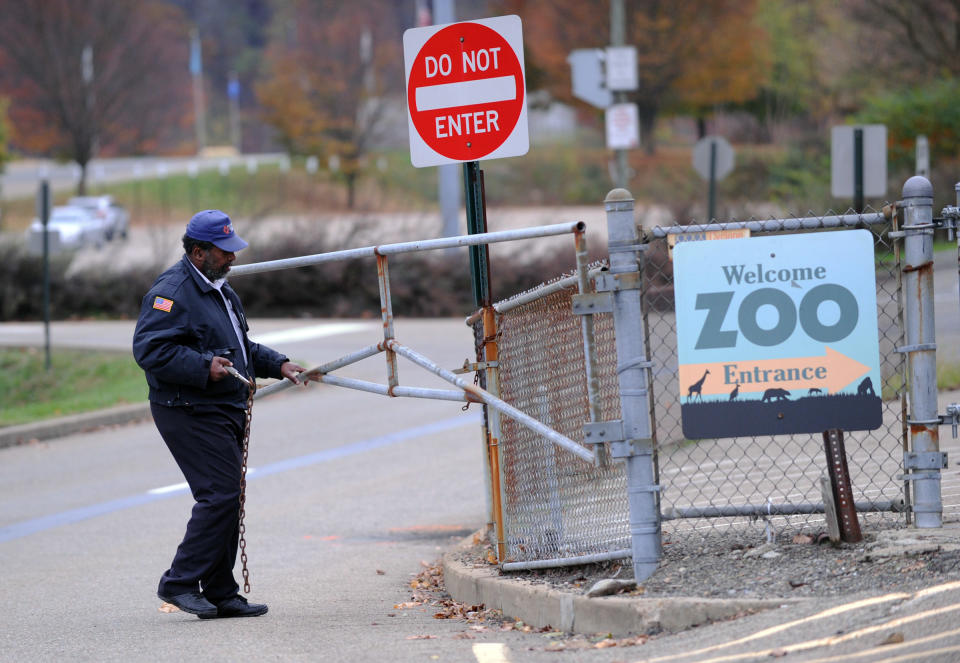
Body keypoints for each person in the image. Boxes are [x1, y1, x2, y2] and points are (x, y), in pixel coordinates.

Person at [133, 209, 310, 619]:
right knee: (220, 495)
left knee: (228, 497)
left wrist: (279, 363)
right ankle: (178, 582)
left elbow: (240, 346)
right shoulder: (172, 291)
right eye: (224, 251)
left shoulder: (221, 289)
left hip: (222, 406)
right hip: (188, 409)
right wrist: (202, 366)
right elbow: (150, 350)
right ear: (198, 252)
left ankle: (219, 591)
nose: (232, 257)